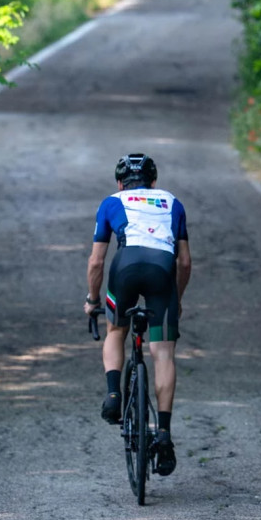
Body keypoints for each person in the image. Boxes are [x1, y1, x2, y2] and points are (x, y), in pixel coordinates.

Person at [83, 154, 192, 477]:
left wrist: (92, 299)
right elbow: (185, 262)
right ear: (153, 182)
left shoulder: (111, 202)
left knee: (116, 330)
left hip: (125, 266)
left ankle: (114, 394)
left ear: (120, 183)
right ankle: (164, 434)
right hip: (162, 271)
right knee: (163, 353)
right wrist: (178, 300)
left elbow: (96, 262)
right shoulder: (173, 202)